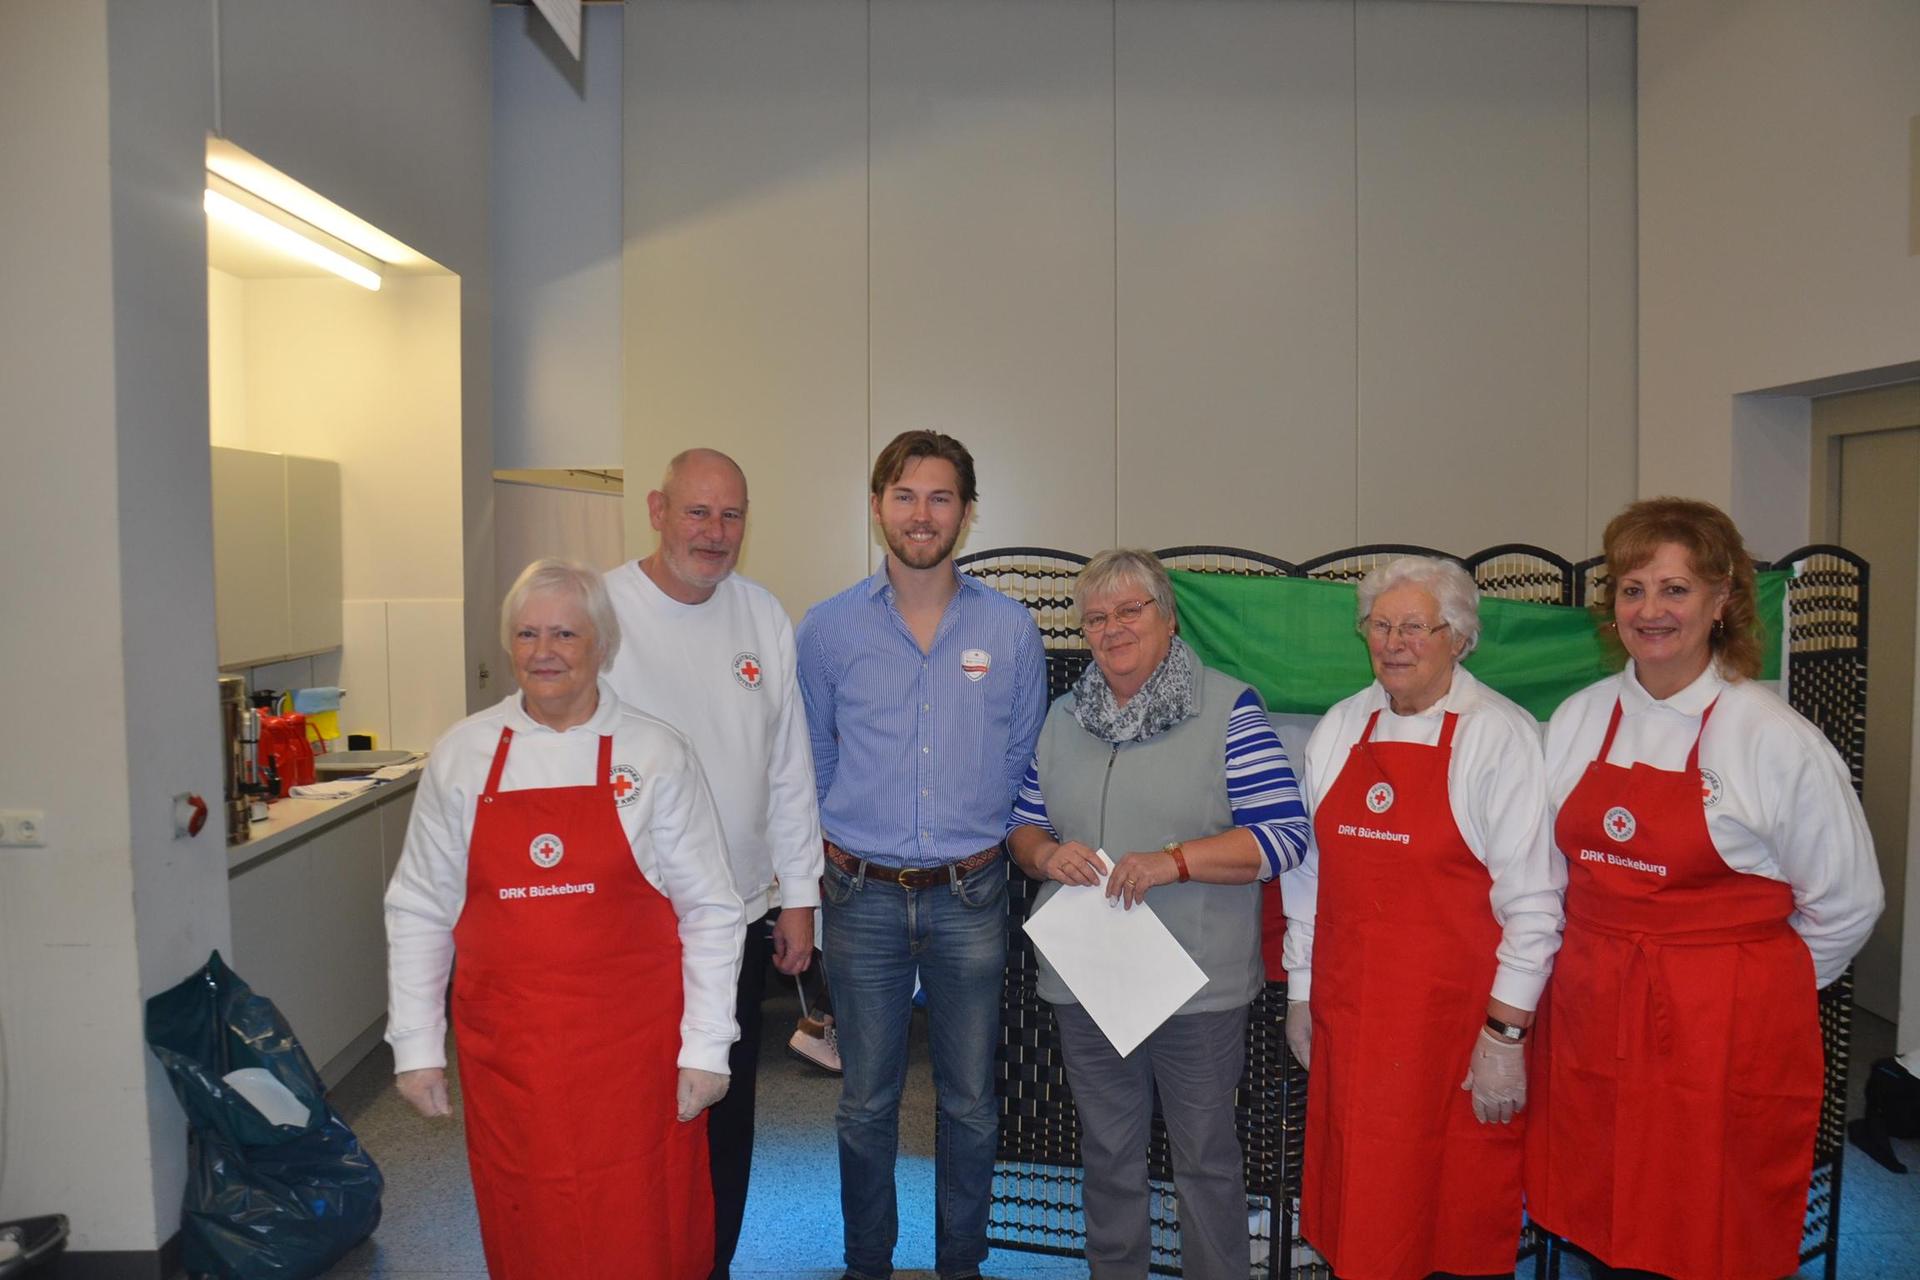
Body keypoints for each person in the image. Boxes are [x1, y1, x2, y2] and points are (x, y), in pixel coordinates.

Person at [1527, 498, 1884, 1280]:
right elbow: (1548, 877)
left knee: (1709, 1224)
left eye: (1675, 589)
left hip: (1721, 1031)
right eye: (1631, 589)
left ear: (1723, 600)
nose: (1650, 610)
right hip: (1592, 1010)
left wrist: (1752, 986)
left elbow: (1850, 902)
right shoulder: (1579, 719)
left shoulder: (1775, 737)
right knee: (1604, 1211)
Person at [384, 558, 745, 1280]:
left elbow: (711, 909)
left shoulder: (655, 753)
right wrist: (415, 1043)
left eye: (564, 634)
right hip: (509, 1056)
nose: (543, 652)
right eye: (526, 634)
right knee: (528, 1220)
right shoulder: (463, 755)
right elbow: (420, 904)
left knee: (638, 1222)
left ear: (602, 645)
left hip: (633, 1058)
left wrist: (707, 1047)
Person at [1005, 549, 1311, 1280]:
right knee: (1107, 1156)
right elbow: (1022, 827)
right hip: (1088, 983)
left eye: (1130, 611)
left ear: (1168, 619)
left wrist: (1173, 861)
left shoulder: (1229, 708)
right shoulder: (1062, 717)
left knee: (1205, 1161)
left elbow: (1282, 836)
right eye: (1097, 617)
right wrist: (1047, 858)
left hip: (1195, 989)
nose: (1112, 629)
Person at [796, 429, 1047, 1280]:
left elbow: (1021, 762)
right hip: (860, 894)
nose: (922, 514)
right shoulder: (828, 630)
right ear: (877, 509)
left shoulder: (1010, 631)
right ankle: (867, 1264)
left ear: (967, 515)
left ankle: (960, 1267)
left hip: (973, 896)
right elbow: (817, 761)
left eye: (941, 497)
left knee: (970, 1103)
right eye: (904, 496)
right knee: (866, 1103)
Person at [1281, 555, 1565, 1280]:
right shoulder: (1344, 725)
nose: (1393, 642)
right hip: (1353, 1016)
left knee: (1446, 1221)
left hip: (1451, 1032)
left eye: (1415, 627)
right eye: (1379, 625)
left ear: (1459, 638)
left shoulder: (1497, 735)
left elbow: (1534, 903)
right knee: (1360, 1209)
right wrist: (1302, 990)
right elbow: (1309, 875)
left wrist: (1506, 1035)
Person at [604, 448, 825, 1279]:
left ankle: (712, 1264)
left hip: (733, 917)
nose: (715, 532)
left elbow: (788, 766)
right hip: (627, 924)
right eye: (698, 512)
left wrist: (798, 896)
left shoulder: (761, 614)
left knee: (724, 1112)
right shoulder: (602, 611)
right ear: (657, 510)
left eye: (731, 515)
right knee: (635, 1113)